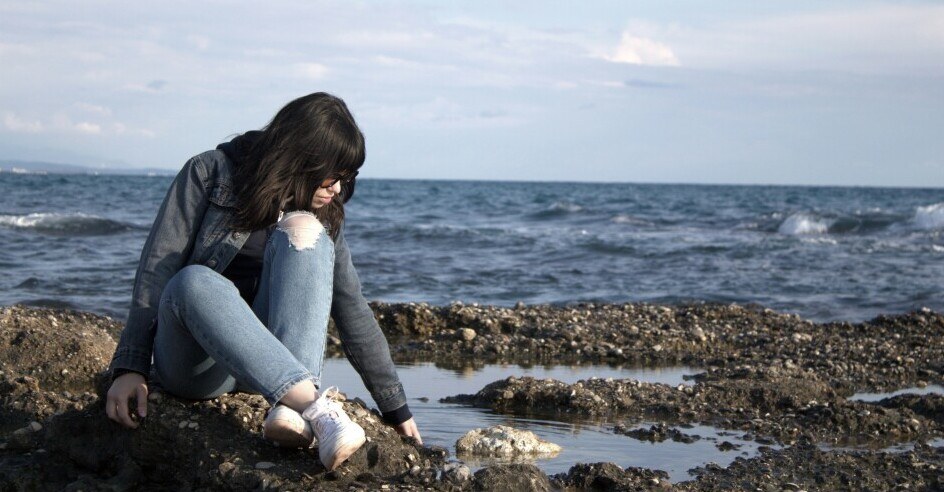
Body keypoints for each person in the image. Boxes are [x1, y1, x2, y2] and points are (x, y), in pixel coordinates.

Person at [105, 92, 421, 471]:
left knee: (305, 230)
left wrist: (395, 408)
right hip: (196, 365)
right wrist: (129, 369)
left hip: (268, 368)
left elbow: (351, 306)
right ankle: (314, 406)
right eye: (333, 173)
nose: (338, 188)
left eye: (347, 177)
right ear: (300, 156)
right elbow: (156, 271)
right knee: (192, 281)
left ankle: (292, 409)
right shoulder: (208, 173)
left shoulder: (324, 211)